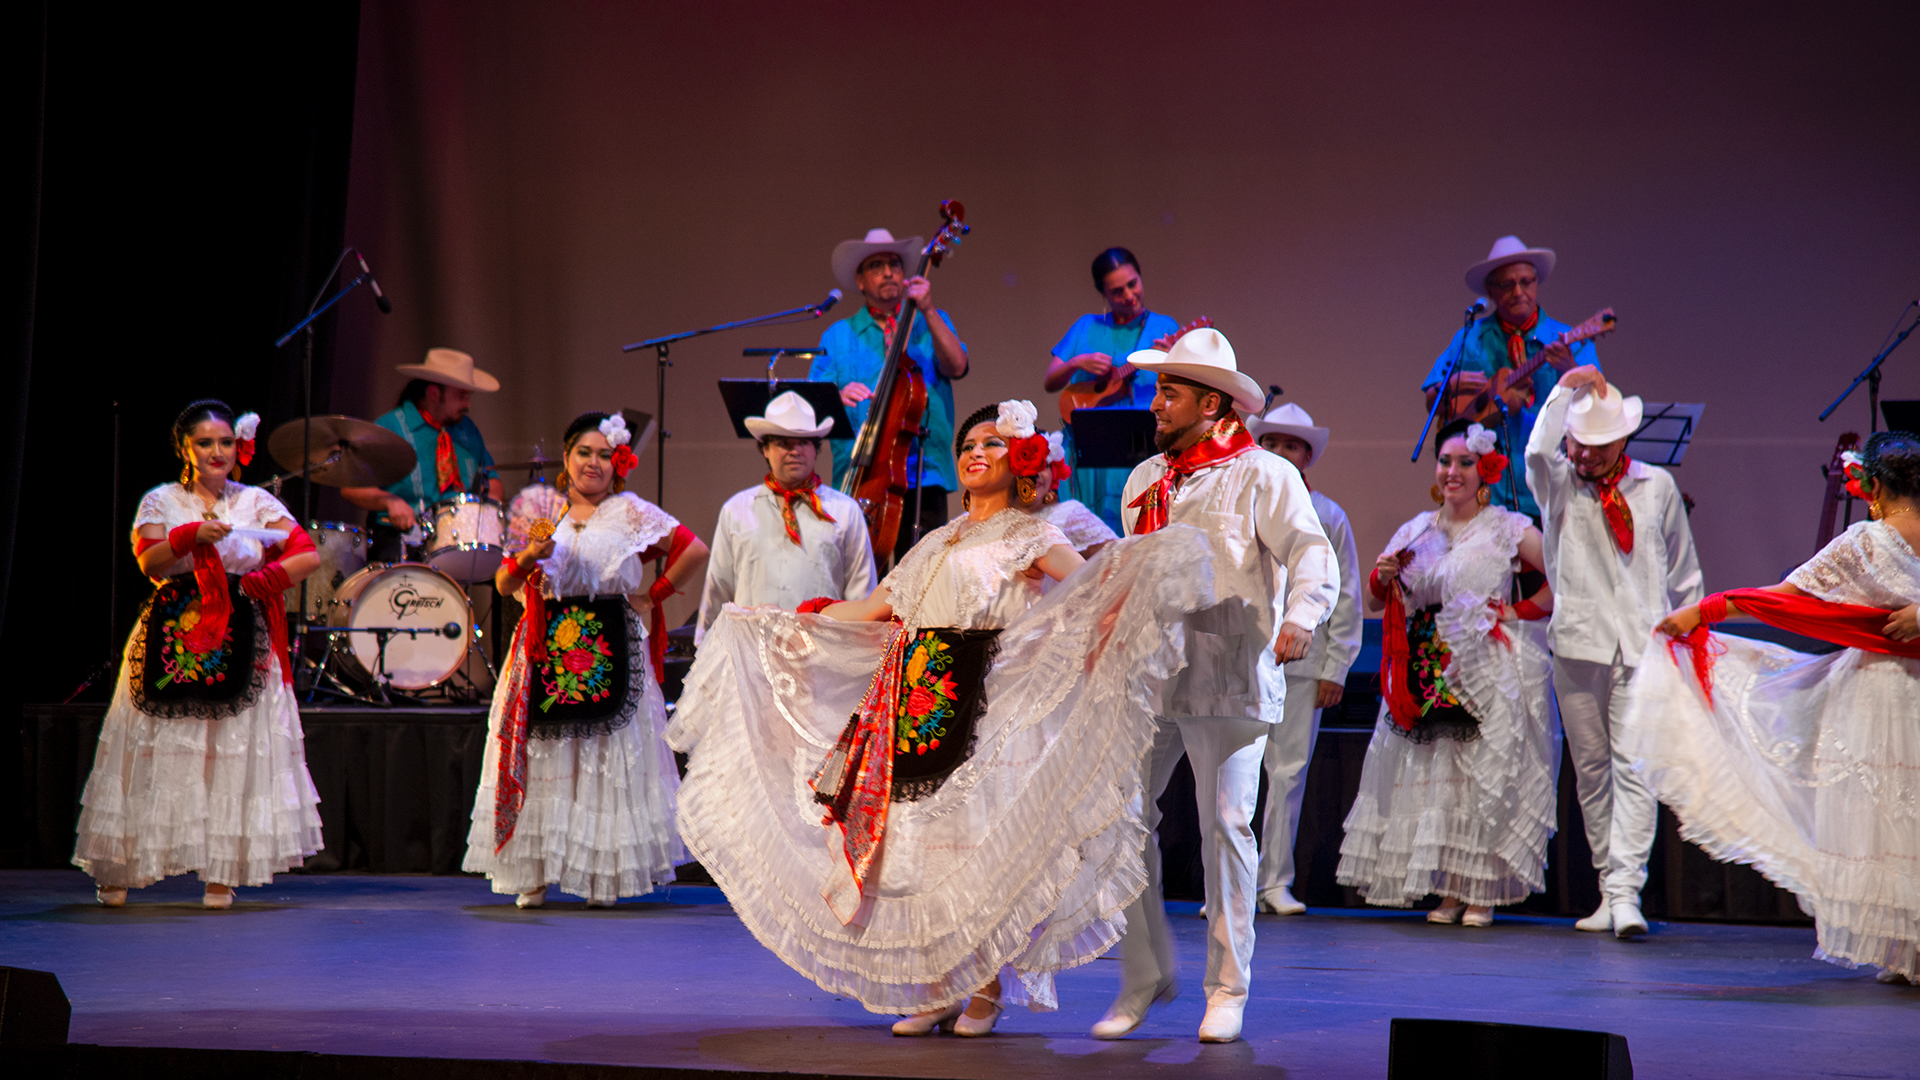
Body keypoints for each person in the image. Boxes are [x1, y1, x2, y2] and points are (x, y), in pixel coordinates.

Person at [667, 399, 1218, 1036]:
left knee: (973, 847)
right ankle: (940, 988)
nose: (975, 454)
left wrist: (1143, 571)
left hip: (988, 700)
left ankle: (983, 990)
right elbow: (873, 608)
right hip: (918, 705)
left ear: (1020, 460)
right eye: (966, 447)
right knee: (918, 849)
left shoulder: (1030, 534)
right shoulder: (935, 541)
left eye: (990, 443)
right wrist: (776, 620)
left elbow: (1092, 587)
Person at [1621, 431, 1920, 984]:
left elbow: (1786, 600)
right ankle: (1910, 948)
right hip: (1894, 688)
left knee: (1891, 816)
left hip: (1882, 695)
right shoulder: (1868, 542)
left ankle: (1907, 946)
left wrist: (1708, 610)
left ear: (1874, 485)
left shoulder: (1867, 542)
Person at [1109, 330, 1340, 1044]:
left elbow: (1310, 551)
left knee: (1228, 826)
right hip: (1156, 673)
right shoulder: (1146, 479)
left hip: (1232, 672)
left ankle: (1227, 986)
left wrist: (1302, 616)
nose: (1157, 404)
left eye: (1170, 392)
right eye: (1158, 390)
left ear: (1211, 403)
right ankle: (1144, 974)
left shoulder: (1261, 472)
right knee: (1118, 823)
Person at [75, 400, 324, 908]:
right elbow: (150, 561)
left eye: (226, 442)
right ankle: (120, 865)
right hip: (176, 625)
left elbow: (307, 553)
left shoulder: (255, 502)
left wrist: (262, 581)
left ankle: (220, 873)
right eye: (205, 443)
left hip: (241, 626)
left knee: (229, 747)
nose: (218, 452)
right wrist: (191, 535)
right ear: (185, 448)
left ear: (239, 446)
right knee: (156, 742)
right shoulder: (162, 500)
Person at [463, 411, 709, 908]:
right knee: (545, 754)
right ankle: (532, 871)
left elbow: (694, 549)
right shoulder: (542, 511)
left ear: (616, 461)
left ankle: (603, 874)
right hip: (547, 643)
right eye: (584, 453)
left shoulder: (630, 511)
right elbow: (506, 584)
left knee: (604, 753)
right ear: (567, 456)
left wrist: (653, 595)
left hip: (611, 641)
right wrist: (532, 554)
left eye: (603, 455)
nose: (593, 463)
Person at [1336, 419, 1559, 926]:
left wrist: (1516, 613)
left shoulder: (1507, 526)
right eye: (1446, 461)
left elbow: (1562, 576)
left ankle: (1480, 889)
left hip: (1485, 666)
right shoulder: (1417, 528)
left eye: (1465, 462)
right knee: (1438, 777)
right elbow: (1376, 597)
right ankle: (1449, 890)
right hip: (1426, 667)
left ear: (1486, 470)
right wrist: (1381, 576)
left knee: (1481, 777)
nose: (1453, 471)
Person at [1525, 366, 1702, 937]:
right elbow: (1534, 451)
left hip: (1644, 644)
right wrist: (1563, 391)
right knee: (1593, 770)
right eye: (1579, 443)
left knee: (1635, 766)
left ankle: (1627, 891)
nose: (1588, 455)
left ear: (1623, 440)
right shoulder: (1556, 483)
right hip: (1579, 643)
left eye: (1601, 446)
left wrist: (1691, 634)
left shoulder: (1656, 486)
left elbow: (1684, 568)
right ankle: (1610, 887)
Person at [1244, 403, 1363, 916]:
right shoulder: (1243, 505)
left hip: (1302, 664)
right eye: (1270, 443)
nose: (1278, 453)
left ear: (1307, 456)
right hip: (1247, 658)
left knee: (1287, 773)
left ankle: (1275, 880)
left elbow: (1347, 594)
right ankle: (1237, 883)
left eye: (1290, 445)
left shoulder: (1329, 515)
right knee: (1239, 774)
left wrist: (1337, 667)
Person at [811, 228, 969, 561]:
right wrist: (836, 397)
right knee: (865, 580)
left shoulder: (933, 322)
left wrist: (927, 310)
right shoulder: (837, 335)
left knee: (925, 578)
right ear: (860, 281)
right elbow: (813, 409)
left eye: (895, 264)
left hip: (924, 472)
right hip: (862, 476)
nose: (888, 272)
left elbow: (956, 366)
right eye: (876, 265)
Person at [1422, 236, 1599, 521]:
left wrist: (1569, 368)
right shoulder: (1470, 338)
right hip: (1485, 494)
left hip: (1553, 490)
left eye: (1526, 282)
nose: (1519, 292)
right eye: (1507, 285)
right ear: (1491, 291)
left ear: (1536, 283)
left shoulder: (1564, 338)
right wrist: (1452, 387)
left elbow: (1597, 404)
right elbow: (1433, 402)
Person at [696, 391, 875, 644]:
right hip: (751, 654)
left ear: (816, 450)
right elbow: (717, 590)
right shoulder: (736, 510)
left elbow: (861, 597)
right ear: (766, 449)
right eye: (783, 443)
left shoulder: (845, 511)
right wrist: (704, 653)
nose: (795, 451)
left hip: (822, 655)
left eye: (803, 442)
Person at [1043, 247, 1183, 534]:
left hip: (1142, 446)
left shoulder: (1163, 327)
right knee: (1086, 535)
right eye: (1117, 291)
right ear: (1103, 294)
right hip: (1090, 451)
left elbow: (1182, 389)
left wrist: (1175, 361)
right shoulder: (1086, 326)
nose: (1129, 296)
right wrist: (1077, 362)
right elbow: (1051, 381)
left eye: (1133, 284)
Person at [342, 348, 505, 563]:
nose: (468, 404)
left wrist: (486, 514)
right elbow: (351, 486)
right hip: (398, 542)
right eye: (461, 396)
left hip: (455, 544)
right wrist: (390, 502)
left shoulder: (468, 432)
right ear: (434, 394)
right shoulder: (391, 427)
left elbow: (492, 481)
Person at [1030, 427, 1119, 560]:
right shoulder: (995, 520)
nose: (1035, 473)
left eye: (1044, 465)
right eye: (1027, 464)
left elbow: (1119, 559)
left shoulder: (1066, 514)